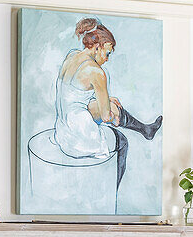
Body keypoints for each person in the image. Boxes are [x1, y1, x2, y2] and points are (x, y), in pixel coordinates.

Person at [53, 17, 162, 188]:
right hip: (79, 137)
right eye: (107, 53)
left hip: (62, 130)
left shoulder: (71, 56)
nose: (107, 59)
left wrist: (106, 101)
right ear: (98, 46)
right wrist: (114, 117)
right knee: (123, 141)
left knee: (110, 105)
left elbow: (74, 95)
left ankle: (146, 130)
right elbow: (105, 116)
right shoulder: (97, 72)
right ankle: (114, 191)